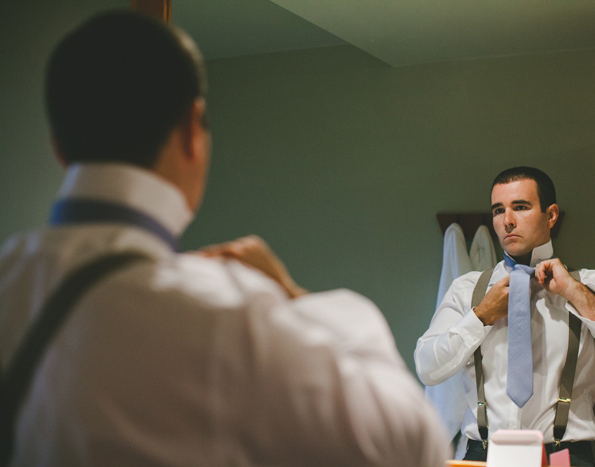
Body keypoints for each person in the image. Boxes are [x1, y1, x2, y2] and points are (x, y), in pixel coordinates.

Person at [0, 10, 449, 466]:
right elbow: (412, 445)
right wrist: (298, 300)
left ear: (58, 145)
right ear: (192, 131)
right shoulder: (222, 312)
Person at [414, 166, 595, 466]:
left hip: (564, 455)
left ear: (551, 215)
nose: (507, 221)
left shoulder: (591, 285)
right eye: (498, 210)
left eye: (521, 207)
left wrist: (573, 292)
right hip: (484, 454)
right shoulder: (468, 290)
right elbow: (427, 367)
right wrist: (481, 317)